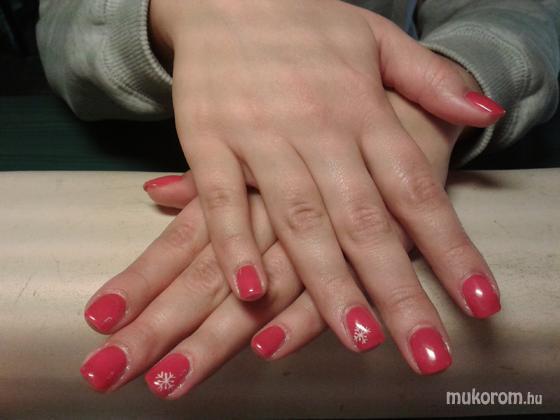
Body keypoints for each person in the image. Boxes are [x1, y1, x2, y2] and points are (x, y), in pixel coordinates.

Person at [37, 0, 560, 399]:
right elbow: (63, 24)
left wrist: (431, 97)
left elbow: (520, 13)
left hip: (382, 127)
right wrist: (189, 11)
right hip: (132, 152)